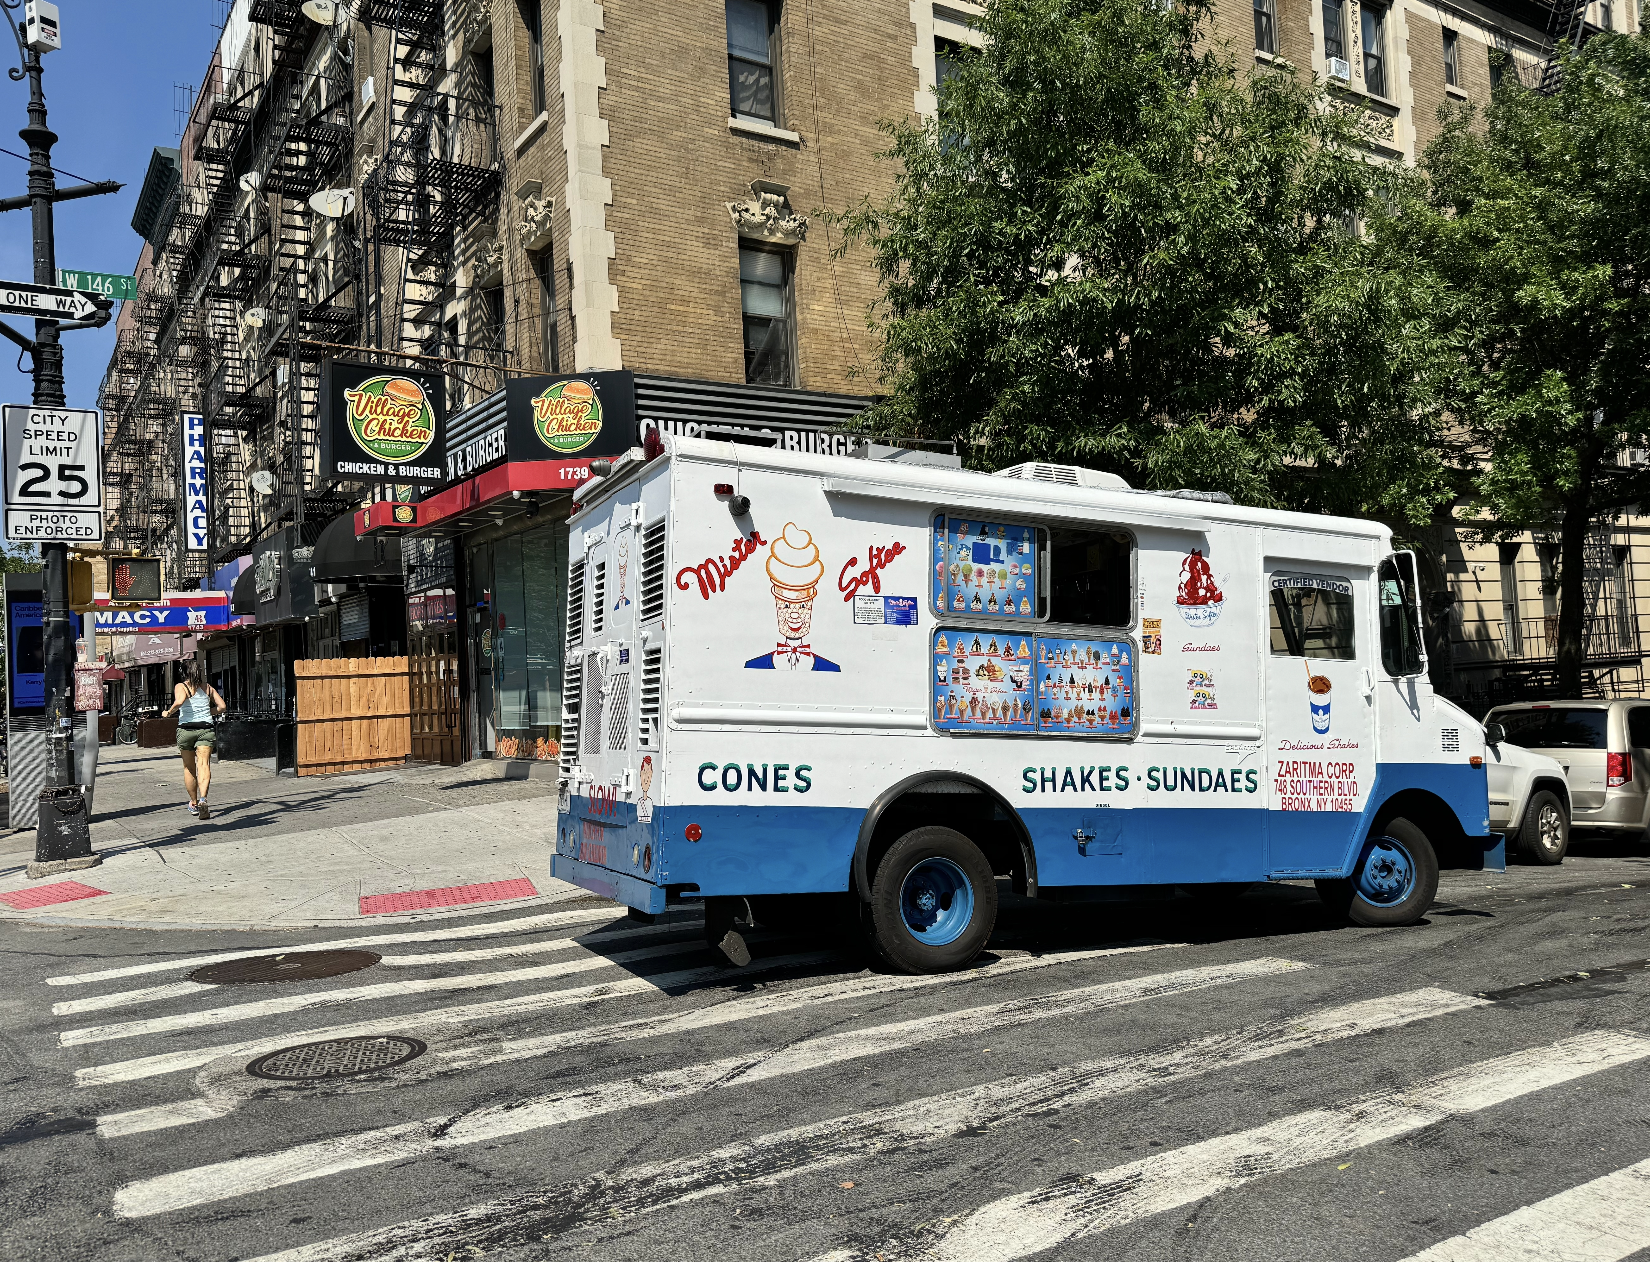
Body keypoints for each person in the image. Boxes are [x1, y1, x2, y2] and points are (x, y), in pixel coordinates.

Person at [163, 661, 225, 819]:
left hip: (186, 730)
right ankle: (204, 798)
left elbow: (179, 701)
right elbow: (222, 706)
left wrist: (168, 713)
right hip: (205, 729)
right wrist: (208, 712)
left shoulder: (180, 686)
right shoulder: (208, 687)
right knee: (204, 764)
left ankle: (194, 802)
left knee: (189, 767)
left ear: (184, 672)